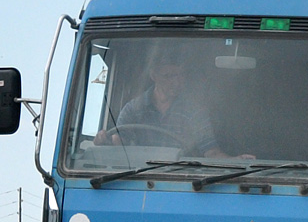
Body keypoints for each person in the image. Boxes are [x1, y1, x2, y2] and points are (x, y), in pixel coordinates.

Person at [98, 54, 252, 160]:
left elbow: (211, 152)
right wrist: (103, 141)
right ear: (154, 75)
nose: (177, 82)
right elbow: (119, 146)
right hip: (138, 177)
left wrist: (234, 160)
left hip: (181, 181)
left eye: (180, 75)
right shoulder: (134, 109)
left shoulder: (194, 111)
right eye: (169, 76)